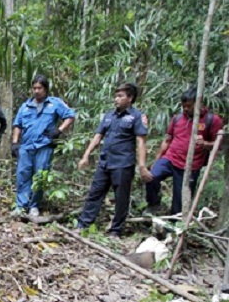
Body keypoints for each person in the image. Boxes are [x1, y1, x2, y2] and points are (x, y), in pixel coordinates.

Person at [75, 83, 153, 238]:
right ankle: (83, 224)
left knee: (121, 198)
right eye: (115, 96)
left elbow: (141, 142)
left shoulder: (137, 117)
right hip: (105, 162)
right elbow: (98, 136)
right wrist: (86, 155)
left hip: (123, 163)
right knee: (95, 193)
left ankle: (116, 230)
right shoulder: (109, 115)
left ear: (130, 98)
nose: (116, 99)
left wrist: (142, 165)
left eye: (120, 96)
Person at [144, 87, 224, 215]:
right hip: (170, 158)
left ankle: (173, 227)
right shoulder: (177, 118)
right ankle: (154, 204)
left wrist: (205, 144)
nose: (186, 109)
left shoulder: (212, 120)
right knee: (151, 176)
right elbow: (167, 140)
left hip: (190, 166)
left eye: (189, 106)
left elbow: (219, 144)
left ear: (199, 104)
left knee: (179, 203)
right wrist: (157, 160)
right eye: (183, 106)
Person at [11, 74, 75, 217]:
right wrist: (15, 142)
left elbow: (70, 115)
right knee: (23, 175)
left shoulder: (55, 103)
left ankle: (34, 206)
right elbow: (17, 125)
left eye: (39, 88)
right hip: (26, 146)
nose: (36, 91)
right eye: (34, 88)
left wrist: (59, 130)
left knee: (40, 175)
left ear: (45, 89)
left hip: (44, 145)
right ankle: (21, 206)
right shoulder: (25, 106)